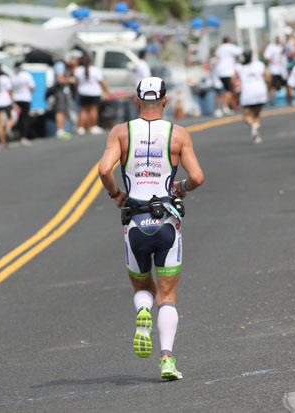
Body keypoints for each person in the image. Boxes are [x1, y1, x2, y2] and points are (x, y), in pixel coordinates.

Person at [97, 77, 204, 381]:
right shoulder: (178, 134)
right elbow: (197, 177)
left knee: (143, 288)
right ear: (165, 101)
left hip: (135, 222)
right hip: (166, 222)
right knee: (167, 295)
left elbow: (104, 169)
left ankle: (143, 308)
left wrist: (115, 194)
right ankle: (167, 359)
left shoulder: (121, 133)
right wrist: (181, 187)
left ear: (137, 101)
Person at [236, 50, 270, 143]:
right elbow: (268, 78)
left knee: (246, 116)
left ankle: (254, 126)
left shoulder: (240, 67)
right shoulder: (259, 65)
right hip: (261, 92)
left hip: (247, 93)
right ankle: (257, 136)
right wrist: (267, 88)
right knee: (256, 115)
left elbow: (233, 80)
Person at [74, 54, 109, 135]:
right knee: (93, 110)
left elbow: (76, 82)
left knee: (84, 110)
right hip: (94, 92)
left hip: (83, 92)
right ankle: (93, 126)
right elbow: (101, 82)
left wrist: (77, 90)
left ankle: (81, 128)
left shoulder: (78, 70)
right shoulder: (95, 70)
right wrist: (107, 90)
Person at [214, 36, 243, 115]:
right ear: (229, 41)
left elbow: (216, 55)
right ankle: (225, 107)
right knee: (229, 90)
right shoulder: (230, 46)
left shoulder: (219, 48)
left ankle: (219, 109)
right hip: (227, 72)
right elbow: (240, 51)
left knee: (221, 92)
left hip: (219, 72)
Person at [11, 62, 36, 145]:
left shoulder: (13, 76)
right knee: (25, 118)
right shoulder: (26, 75)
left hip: (16, 99)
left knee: (19, 118)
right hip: (25, 98)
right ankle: (24, 137)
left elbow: (11, 89)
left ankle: (19, 134)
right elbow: (32, 88)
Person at [263, 36, 288, 105]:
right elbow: (266, 57)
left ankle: (288, 100)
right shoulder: (271, 47)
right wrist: (272, 61)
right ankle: (271, 101)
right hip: (275, 70)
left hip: (283, 70)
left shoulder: (282, 46)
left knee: (286, 84)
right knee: (274, 86)